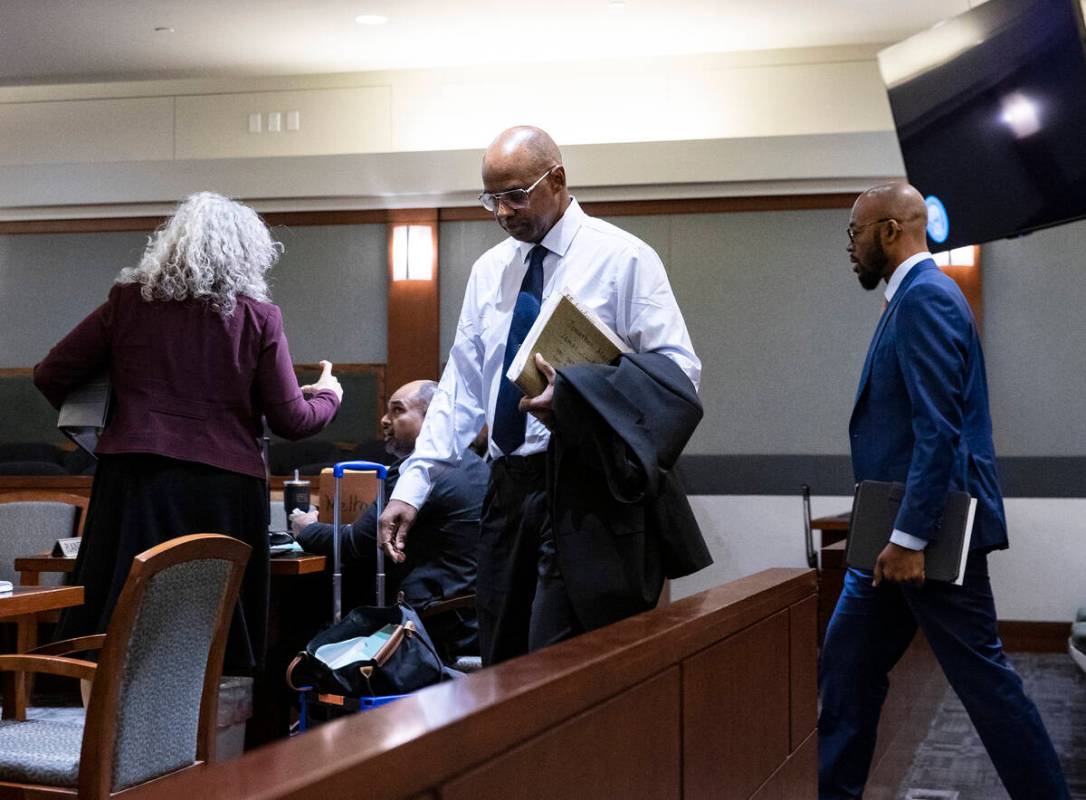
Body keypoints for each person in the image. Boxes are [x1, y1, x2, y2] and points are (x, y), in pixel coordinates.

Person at [378, 126, 702, 665]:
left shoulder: (623, 258)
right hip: (506, 488)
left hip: (583, 482)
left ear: (558, 181)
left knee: (559, 661)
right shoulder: (489, 271)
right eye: (491, 199)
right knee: (501, 658)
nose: (503, 212)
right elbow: (459, 388)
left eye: (515, 195)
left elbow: (679, 375)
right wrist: (412, 486)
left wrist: (579, 397)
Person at [818, 182, 1068, 799]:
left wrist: (908, 538)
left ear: (888, 232)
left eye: (854, 233)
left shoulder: (927, 298)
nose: (847, 248)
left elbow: (939, 431)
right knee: (847, 668)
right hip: (892, 532)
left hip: (923, 536)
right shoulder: (912, 299)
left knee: (984, 684)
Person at [34, 191, 342, 673]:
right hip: (224, 489)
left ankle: (108, 740)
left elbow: (51, 374)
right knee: (211, 627)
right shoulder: (258, 318)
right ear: (248, 253)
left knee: (118, 618)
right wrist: (328, 395)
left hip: (134, 480)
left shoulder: (128, 303)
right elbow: (292, 421)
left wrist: (117, 415)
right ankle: (207, 739)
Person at [290, 379, 487, 657]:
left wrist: (306, 528)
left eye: (397, 411)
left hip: (423, 629)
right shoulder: (476, 466)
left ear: (434, 418)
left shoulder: (420, 473)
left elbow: (355, 542)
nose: (384, 420)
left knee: (293, 639)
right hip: (471, 621)